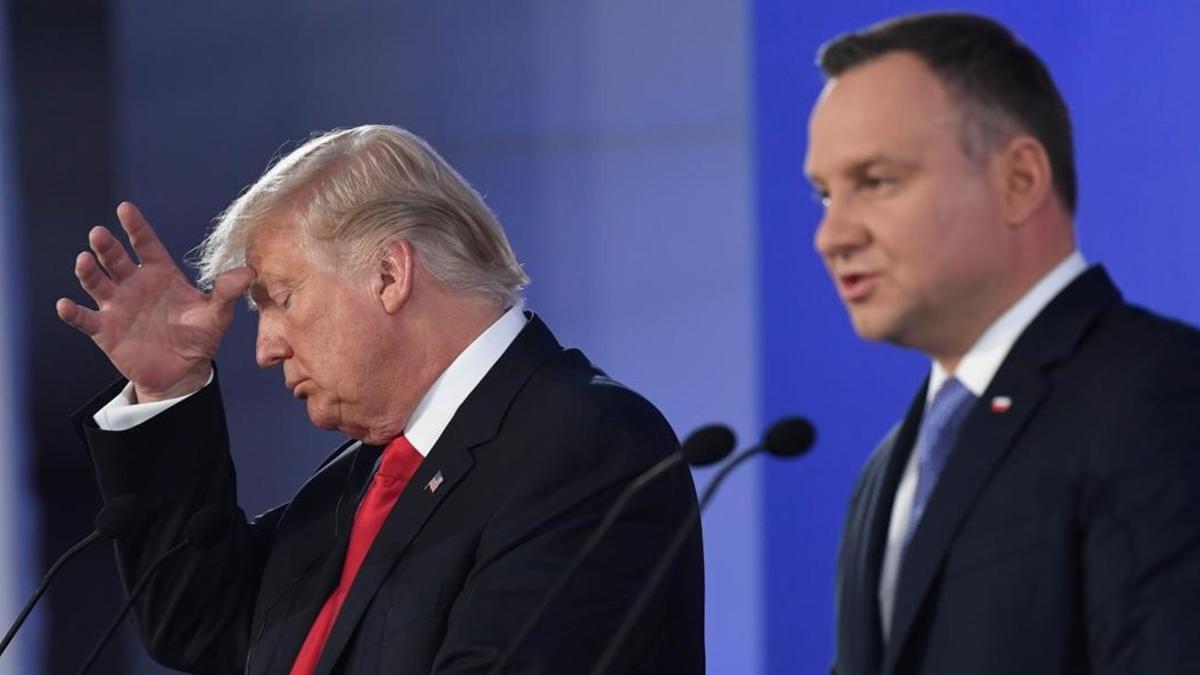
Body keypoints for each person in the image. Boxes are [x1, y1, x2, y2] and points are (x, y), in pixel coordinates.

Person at [58, 125, 704, 674]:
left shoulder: (586, 440)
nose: (264, 348)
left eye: (279, 298)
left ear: (390, 275)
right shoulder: (359, 477)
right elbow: (205, 621)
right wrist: (169, 390)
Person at [805, 12, 1200, 675]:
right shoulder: (887, 470)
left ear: (1019, 180)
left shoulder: (1160, 394)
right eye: (823, 195)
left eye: (876, 181)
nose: (832, 235)